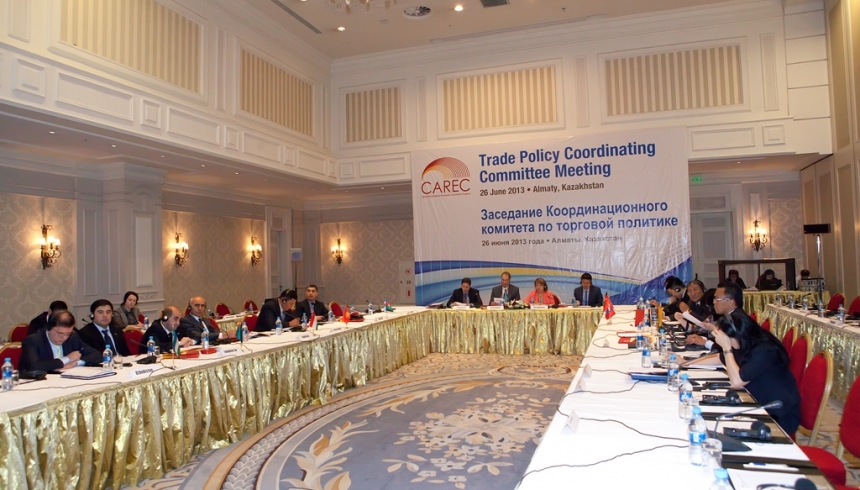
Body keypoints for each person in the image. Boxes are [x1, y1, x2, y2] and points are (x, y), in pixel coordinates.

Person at [709, 283, 801, 434]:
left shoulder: (765, 350)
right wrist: (684, 363)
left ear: (739, 334)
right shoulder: (745, 343)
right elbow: (720, 358)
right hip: (757, 401)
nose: (728, 345)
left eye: (728, 340)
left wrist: (726, 348)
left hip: (778, 414)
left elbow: (737, 382)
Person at [20, 310, 102, 373]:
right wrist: (66, 359)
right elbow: (35, 367)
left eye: (68, 333)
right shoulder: (33, 341)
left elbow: (97, 355)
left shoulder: (72, 337)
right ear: (49, 328)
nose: (65, 337)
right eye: (60, 333)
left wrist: (76, 363)